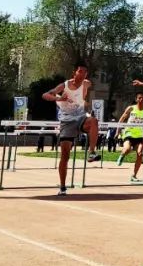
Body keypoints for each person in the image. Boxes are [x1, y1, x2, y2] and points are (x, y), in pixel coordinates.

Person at [43, 64, 101, 196]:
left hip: (80, 118)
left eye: (85, 72)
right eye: (80, 71)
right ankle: (62, 186)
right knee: (65, 156)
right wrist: (59, 98)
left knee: (94, 121)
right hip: (67, 121)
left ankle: (91, 152)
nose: (82, 74)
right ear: (74, 73)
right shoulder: (64, 86)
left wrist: (84, 100)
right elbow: (45, 95)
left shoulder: (86, 84)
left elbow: (86, 88)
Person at [116, 92, 143, 181]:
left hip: (139, 135)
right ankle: (122, 155)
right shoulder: (131, 108)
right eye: (139, 98)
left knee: (140, 153)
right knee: (127, 149)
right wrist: (118, 131)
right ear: (136, 99)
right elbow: (122, 119)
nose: (141, 100)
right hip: (129, 133)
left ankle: (134, 175)